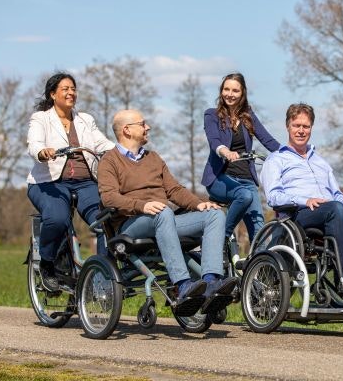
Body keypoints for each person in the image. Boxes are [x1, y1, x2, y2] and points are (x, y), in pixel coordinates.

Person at [98, 109, 238, 316]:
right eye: (143, 123)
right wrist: (141, 205)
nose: (148, 127)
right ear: (126, 130)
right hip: (132, 225)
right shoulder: (109, 161)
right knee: (163, 212)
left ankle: (210, 283)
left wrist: (199, 204)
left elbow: (173, 190)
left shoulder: (153, 158)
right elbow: (109, 197)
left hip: (164, 220)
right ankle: (182, 285)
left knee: (215, 215)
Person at [260, 103, 343, 291]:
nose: (301, 131)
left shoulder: (321, 162)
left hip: (333, 211)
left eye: (306, 126)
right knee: (335, 209)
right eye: (297, 125)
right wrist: (306, 200)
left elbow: (336, 195)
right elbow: (274, 197)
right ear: (288, 126)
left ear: (311, 128)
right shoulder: (276, 159)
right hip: (300, 214)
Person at [27, 72, 115, 292]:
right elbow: (34, 143)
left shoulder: (86, 119)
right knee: (56, 219)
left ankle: (103, 274)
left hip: (85, 182)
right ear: (52, 94)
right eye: (65, 89)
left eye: (73, 89)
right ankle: (47, 263)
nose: (71, 93)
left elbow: (101, 143)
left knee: (106, 221)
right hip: (49, 183)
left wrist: (123, 152)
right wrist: (43, 151)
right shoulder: (41, 119)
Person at [202, 73, 280, 247]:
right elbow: (214, 140)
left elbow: (267, 140)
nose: (230, 94)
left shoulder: (248, 116)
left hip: (246, 178)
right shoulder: (212, 115)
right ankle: (221, 237)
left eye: (235, 90)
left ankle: (261, 269)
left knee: (259, 228)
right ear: (221, 91)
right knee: (244, 195)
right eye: (226, 89)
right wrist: (225, 151)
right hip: (221, 177)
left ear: (242, 92)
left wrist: (291, 155)